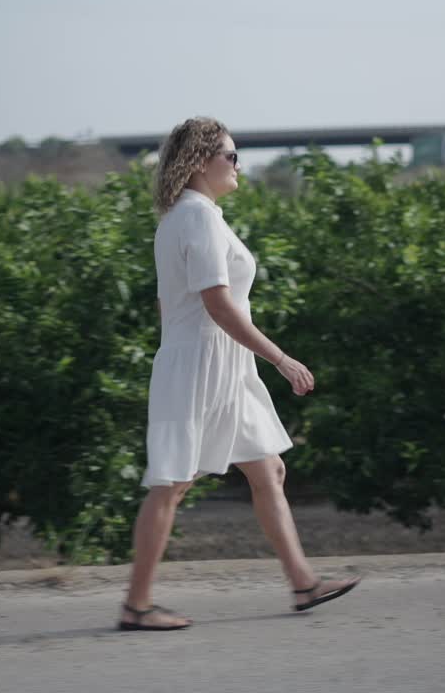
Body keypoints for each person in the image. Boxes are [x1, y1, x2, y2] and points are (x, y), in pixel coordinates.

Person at [118, 117, 361, 632]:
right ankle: (136, 606)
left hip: (220, 364)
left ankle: (303, 584)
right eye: (230, 155)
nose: (237, 164)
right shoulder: (197, 218)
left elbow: (169, 307)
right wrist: (281, 358)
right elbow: (219, 306)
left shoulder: (188, 217)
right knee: (172, 484)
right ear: (200, 161)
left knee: (267, 469)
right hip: (205, 366)